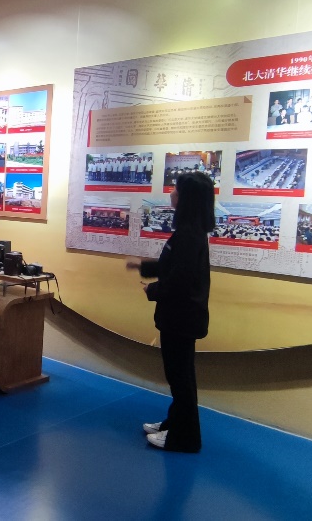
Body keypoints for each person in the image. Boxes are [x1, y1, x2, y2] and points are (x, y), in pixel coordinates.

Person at [125, 171, 214, 453]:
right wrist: (142, 267)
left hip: (182, 318)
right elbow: (171, 266)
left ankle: (184, 438)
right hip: (180, 317)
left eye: (176, 190)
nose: (171, 194)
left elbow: (179, 280)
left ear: (187, 198)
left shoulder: (190, 235)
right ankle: (174, 423)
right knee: (178, 376)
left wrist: (152, 290)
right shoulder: (188, 232)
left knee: (181, 378)